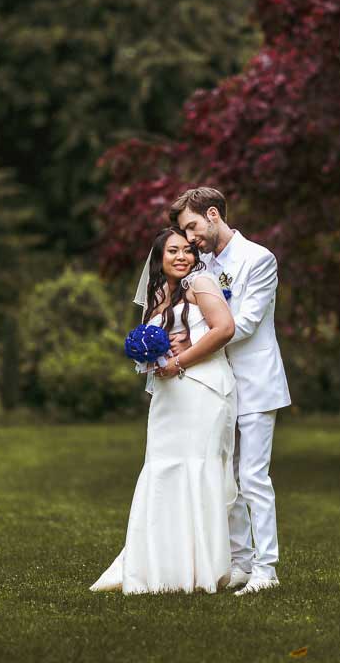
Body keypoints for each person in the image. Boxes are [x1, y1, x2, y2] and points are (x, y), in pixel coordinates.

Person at [90, 227, 238, 594]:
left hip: (201, 390)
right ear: (159, 258)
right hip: (168, 397)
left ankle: (201, 569)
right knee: (163, 470)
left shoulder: (201, 284)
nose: (182, 257)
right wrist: (153, 358)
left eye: (188, 250)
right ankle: (158, 566)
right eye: (173, 251)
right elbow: (155, 355)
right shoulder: (158, 298)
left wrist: (181, 359)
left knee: (197, 469)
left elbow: (224, 329)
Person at [169, 187, 290, 595]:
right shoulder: (200, 263)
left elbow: (246, 323)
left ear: (213, 214)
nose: (189, 238)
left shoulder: (259, 259)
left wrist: (192, 344)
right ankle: (240, 562)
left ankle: (266, 569)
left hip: (255, 382)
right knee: (226, 477)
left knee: (253, 477)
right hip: (217, 383)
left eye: (192, 227)